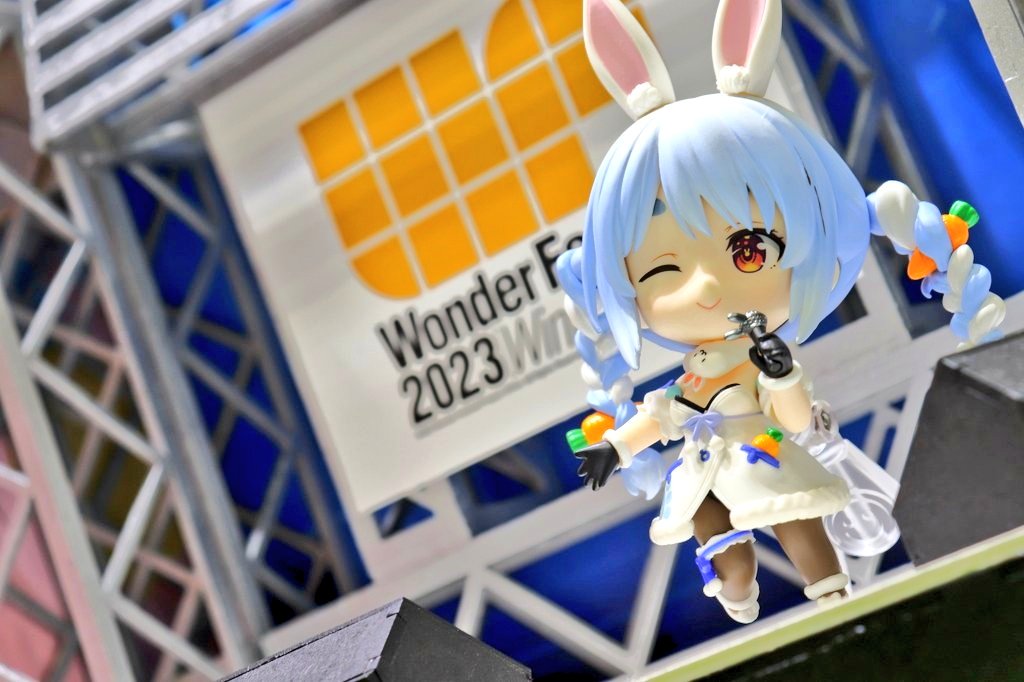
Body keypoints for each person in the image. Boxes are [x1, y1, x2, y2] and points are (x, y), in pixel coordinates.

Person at [558, 0, 1005, 623]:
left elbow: (792, 418)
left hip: (761, 453)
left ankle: (831, 596)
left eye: (747, 251)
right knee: (719, 545)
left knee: (795, 521)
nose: (705, 288)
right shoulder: (694, 374)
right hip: (702, 467)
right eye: (662, 271)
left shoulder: (757, 356)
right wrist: (617, 448)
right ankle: (736, 588)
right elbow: (663, 415)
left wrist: (780, 374)